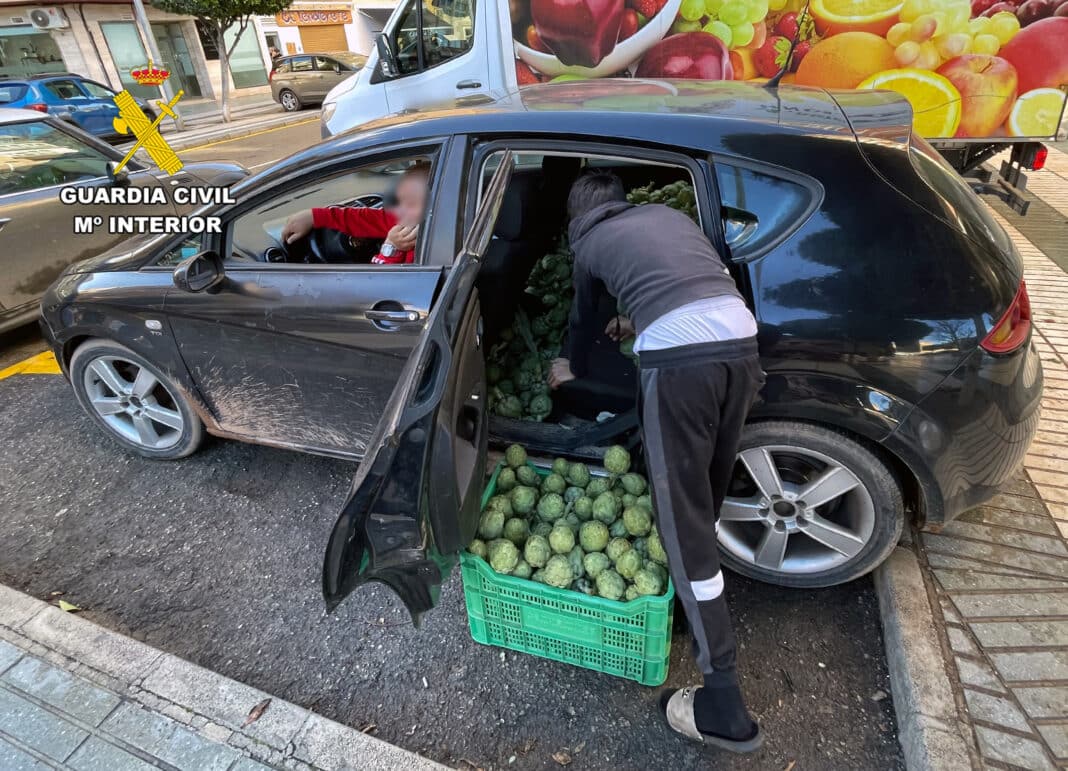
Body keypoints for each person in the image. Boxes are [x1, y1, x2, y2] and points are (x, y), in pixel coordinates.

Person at [548, 170, 765, 753]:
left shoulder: (587, 242)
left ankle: (724, 704)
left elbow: (583, 320)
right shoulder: (667, 217)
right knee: (705, 496)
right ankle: (691, 598)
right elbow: (680, 284)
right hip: (741, 345)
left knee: (679, 523)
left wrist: (571, 367)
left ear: (576, 219)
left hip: (682, 364)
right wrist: (639, 319)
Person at [281, 162, 429, 264]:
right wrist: (314, 216)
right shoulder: (410, 220)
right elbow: (366, 219)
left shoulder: (427, 246)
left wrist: (391, 248)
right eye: (400, 201)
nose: (399, 210)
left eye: (410, 203)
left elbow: (377, 285)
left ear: (433, 207)